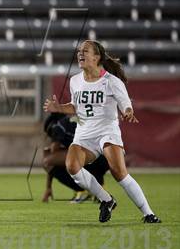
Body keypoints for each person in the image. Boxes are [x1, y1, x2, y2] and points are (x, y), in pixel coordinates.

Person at [43, 39, 161, 223]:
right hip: (84, 133)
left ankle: (149, 214)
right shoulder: (75, 81)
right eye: (79, 51)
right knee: (72, 167)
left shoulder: (111, 82)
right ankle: (107, 200)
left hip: (107, 131)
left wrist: (128, 112)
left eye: (86, 51)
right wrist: (58, 107)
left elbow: (126, 105)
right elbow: (75, 107)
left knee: (118, 172)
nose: (80, 54)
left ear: (97, 57)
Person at [42, 113, 109, 203]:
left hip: (94, 156)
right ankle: (99, 191)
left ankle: (82, 191)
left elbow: (53, 152)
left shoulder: (59, 126)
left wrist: (48, 187)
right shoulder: (73, 120)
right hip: (106, 157)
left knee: (48, 161)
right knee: (73, 157)